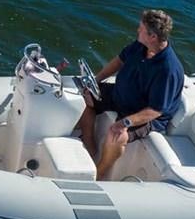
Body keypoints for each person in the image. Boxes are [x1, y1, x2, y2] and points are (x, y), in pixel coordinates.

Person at [79, 9, 186, 180]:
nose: (137, 30)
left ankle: (100, 172)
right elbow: (118, 61)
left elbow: (155, 110)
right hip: (121, 95)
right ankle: (90, 146)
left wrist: (125, 122)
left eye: (141, 29)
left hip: (144, 114)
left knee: (117, 136)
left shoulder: (168, 70)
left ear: (152, 37)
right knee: (85, 99)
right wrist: (95, 81)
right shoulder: (140, 46)